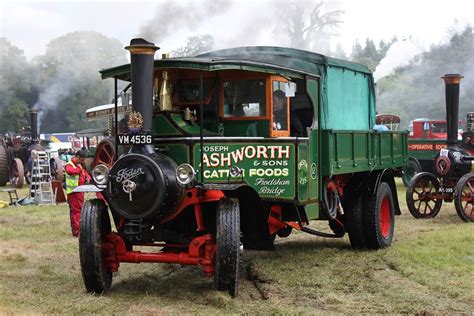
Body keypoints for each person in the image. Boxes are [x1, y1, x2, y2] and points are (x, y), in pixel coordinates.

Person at [65, 150, 90, 237]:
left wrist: (87, 176)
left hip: (79, 192)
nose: (83, 162)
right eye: (82, 160)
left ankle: (78, 230)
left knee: (79, 211)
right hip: (73, 192)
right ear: (77, 157)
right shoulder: (69, 165)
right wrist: (79, 170)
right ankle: (76, 232)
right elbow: (70, 171)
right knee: (76, 212)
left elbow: (84, 172)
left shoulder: (79, 165)